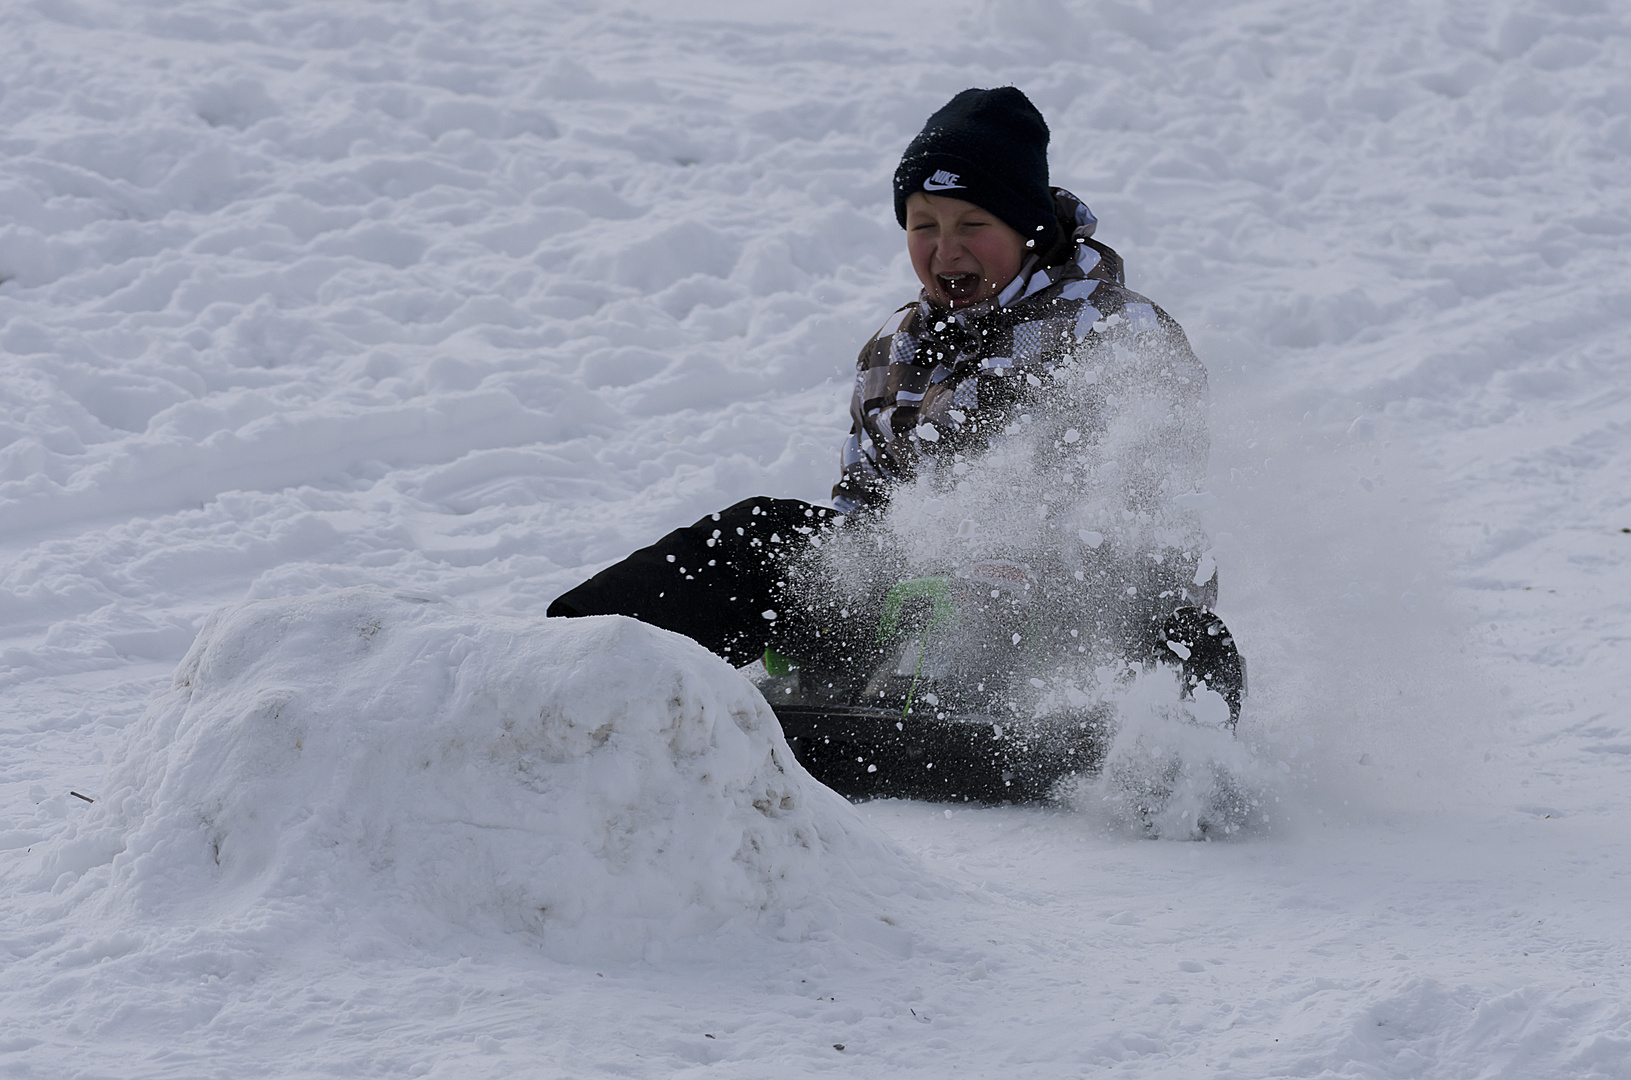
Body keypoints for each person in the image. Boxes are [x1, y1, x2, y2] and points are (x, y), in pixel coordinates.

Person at [549, 87, 1242, 719]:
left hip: (1070, 617)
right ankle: (563, 663)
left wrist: (1005, 558)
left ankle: (1165, 738)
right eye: (923, 225)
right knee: (759, 533)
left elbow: (1148, 509)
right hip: (908, 607)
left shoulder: (1116, 331)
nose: (945, 250)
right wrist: (843, 594)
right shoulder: (896, 345)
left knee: (1176, 636)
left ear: (1029, 228)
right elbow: (862, 509)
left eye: (972, 224)